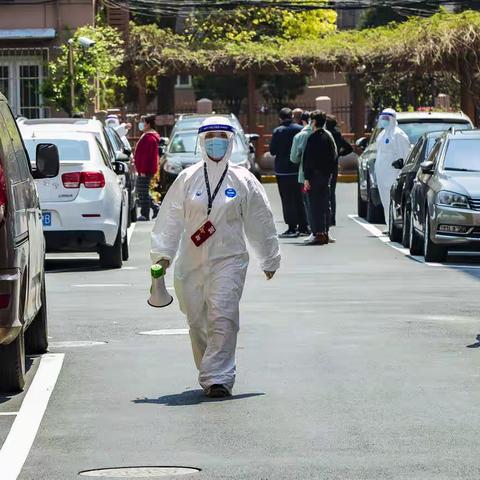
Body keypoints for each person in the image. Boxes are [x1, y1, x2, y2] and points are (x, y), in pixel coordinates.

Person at [151, 117, 280, 398]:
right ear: (201, 142)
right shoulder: (187, 178)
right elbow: (170, 218)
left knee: (223, 315)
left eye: (221, 135)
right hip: (191, 260)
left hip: (229, 259)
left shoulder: (244, 180)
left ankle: (218, 378)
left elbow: (261, 220)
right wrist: (162, 256)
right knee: (197, 319)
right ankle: (209, 369)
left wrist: (269, 258)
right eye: (209, 136)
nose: (215, 141)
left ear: (231, 141)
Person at [270, 108, 308, 238]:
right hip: (298, 169)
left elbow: (272, 150)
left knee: (287, 200)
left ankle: (292, 227)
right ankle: (304, 226)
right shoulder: (300, 129)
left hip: (283, 171)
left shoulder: (278, 131)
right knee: (300, 198)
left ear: (280, 118)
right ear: (291, 116)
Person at [303, 111, 338, 246]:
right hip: (325, 176)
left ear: (315, 122)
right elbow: (333, 157)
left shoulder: (312, 138)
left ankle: (318, 233)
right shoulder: (328, 138)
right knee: (325, 204)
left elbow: (308, 160)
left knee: (314, 205)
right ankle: (325, 231)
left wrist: (306, 177)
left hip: (314, 176)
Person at [375, 108, 411, 225]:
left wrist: (401, 165)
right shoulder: (381, 135)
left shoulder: (398, 134)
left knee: (392, 200)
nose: (384, 121)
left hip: (393, 173)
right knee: (385, 199)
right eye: (383, 118)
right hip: (382, 174)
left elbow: (405, 154)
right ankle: (388, 223)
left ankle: (393, 224)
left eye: (387, 118)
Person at [326, 115, 353, 227]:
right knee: (332, 192)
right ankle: (332, 217)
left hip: (325, 164)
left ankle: (326, 216)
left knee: (325, 192)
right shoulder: (337, 134)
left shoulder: (326, 134)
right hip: (334, 164)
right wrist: (339, 155)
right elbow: (349, 148)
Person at [290, 111, 313, 237]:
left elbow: (294, 158)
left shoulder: (300, 136)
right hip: (323, 175)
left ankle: (312, 229)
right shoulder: (326, 134)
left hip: (304, 175)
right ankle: (323, 228)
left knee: (308, 202)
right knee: (323, 202)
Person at [134, 114, 160, 221]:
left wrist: (143, 170)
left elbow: (145, 156)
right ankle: (155, 207)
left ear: (148, 124)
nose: (141, 124)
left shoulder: (149, 138)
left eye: (143, 122)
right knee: (142, 190)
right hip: (143, 169)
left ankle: (145, 214)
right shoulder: (147, 136)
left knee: (142, 191)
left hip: (145, 170)